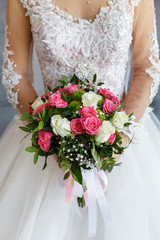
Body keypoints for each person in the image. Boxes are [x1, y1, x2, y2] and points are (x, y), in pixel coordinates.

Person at [1, 0, 160, 239]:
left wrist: (121, 136)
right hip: (49, 143)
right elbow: (17, 76)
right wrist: (53, 140)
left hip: (123, 138)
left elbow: (146, 68)